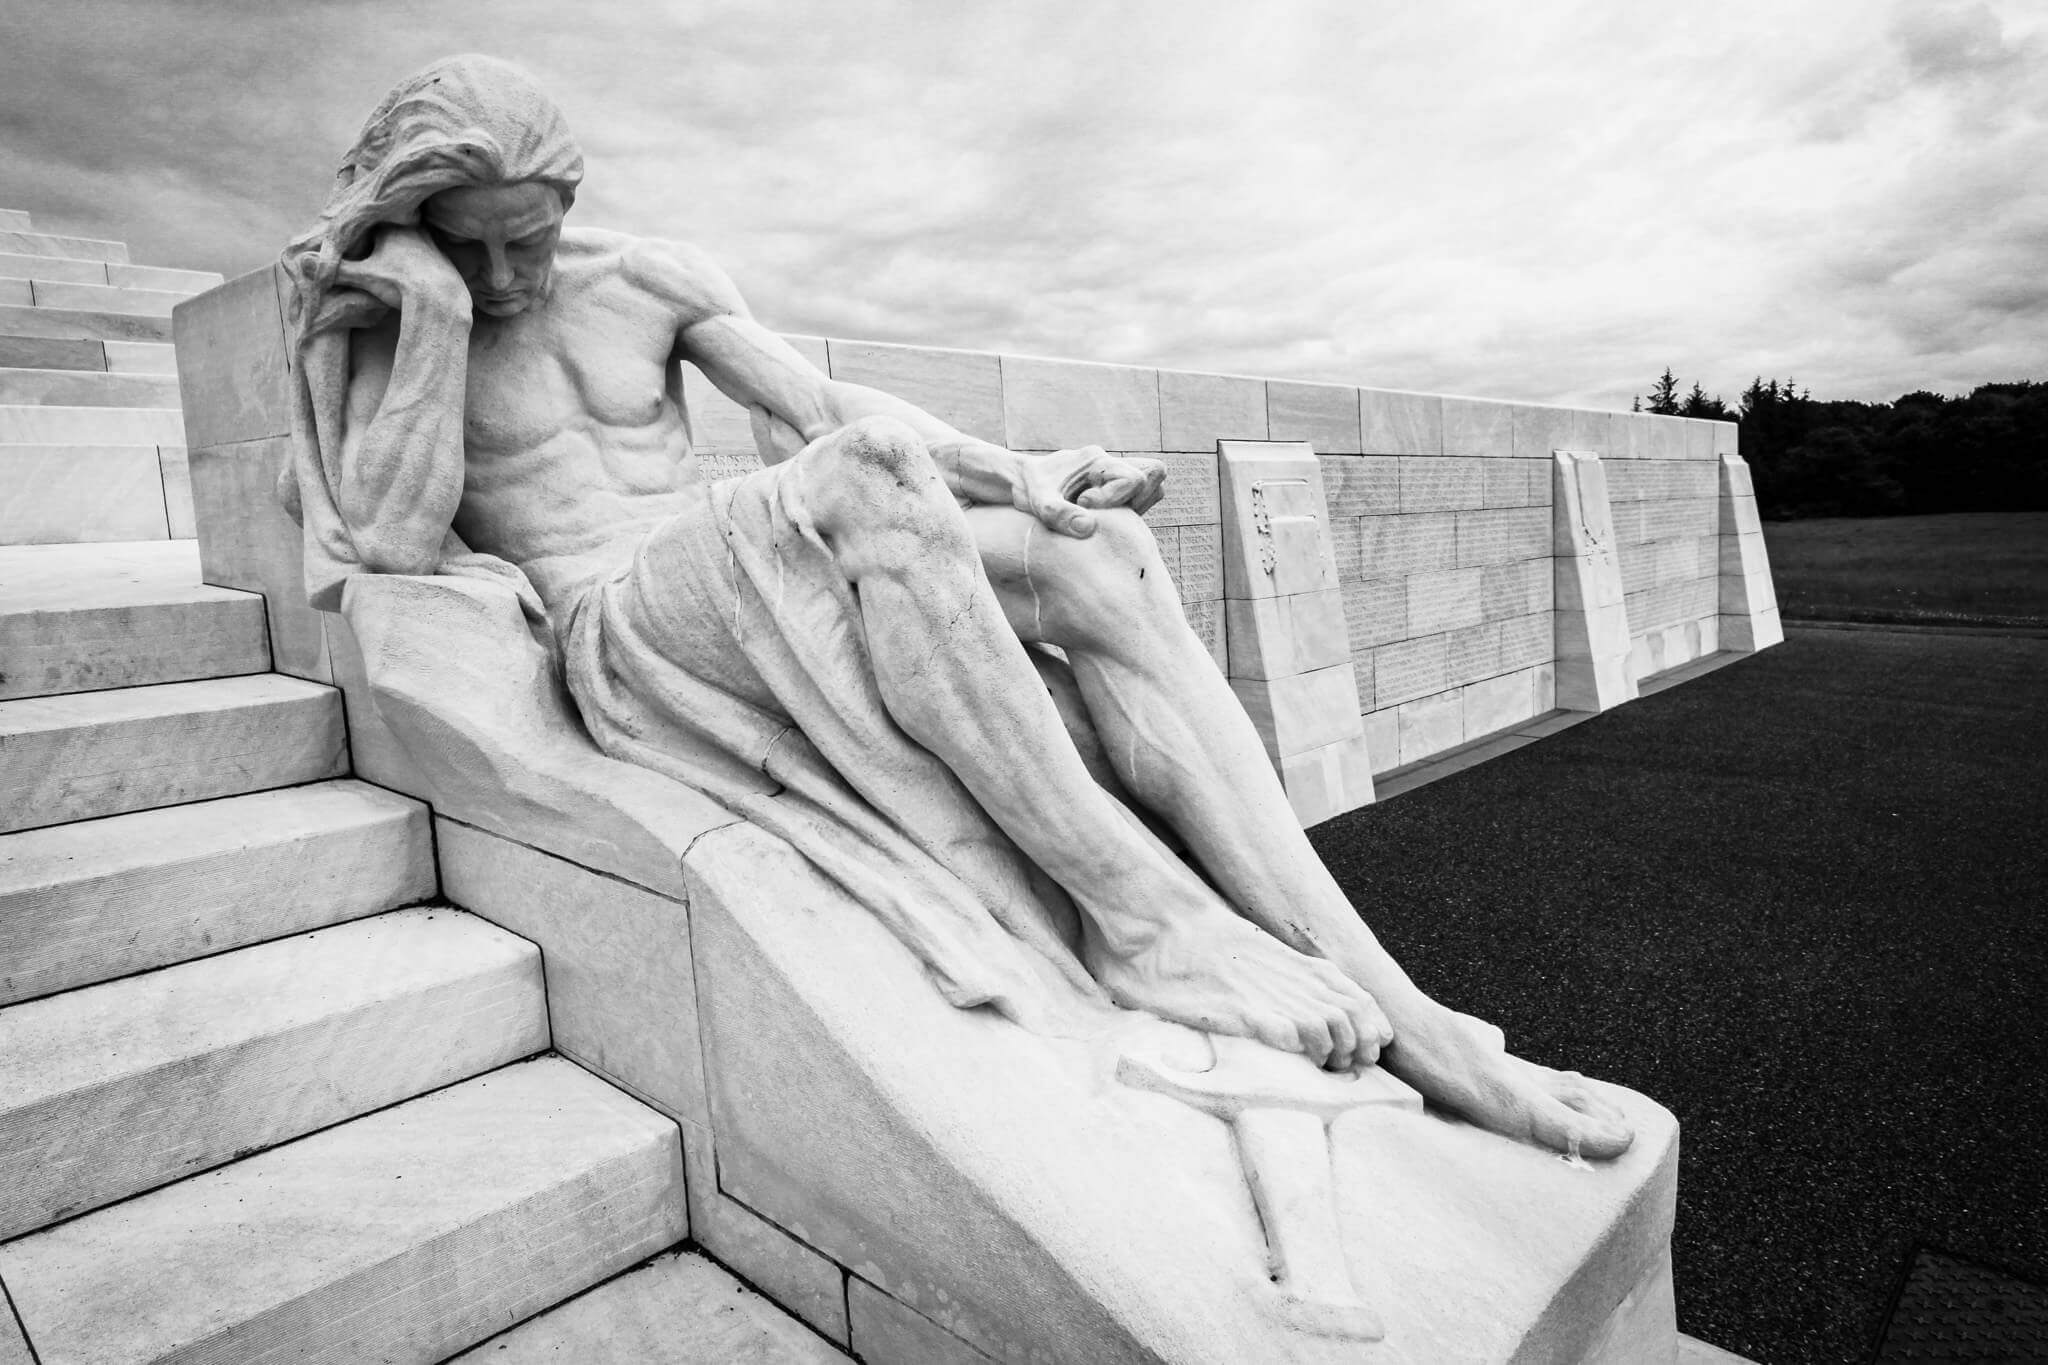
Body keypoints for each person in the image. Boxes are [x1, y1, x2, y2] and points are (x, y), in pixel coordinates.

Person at [281, 54, 1631, 1160]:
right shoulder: (396, 326)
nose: (506, 276)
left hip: (741, 555)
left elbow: (819, 407)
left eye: (528, 239)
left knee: (1095, 551)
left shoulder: (646, 283)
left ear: (569, 204)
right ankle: (1145, 922)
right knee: (865, 475)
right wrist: (432, 318)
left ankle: (1407, 1013)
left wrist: (1016, 471)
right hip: (625, 620)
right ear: (418, 225)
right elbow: (388, 537)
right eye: (470, 246)